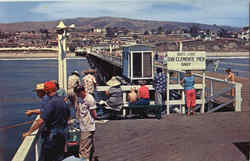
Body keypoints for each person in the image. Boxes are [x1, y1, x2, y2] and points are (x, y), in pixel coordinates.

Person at [23, 81, 70, 161]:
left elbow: (40, 121)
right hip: (62, 132)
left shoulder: (51, 103)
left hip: (53, 134)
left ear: (46, 91)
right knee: (59, 156)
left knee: (47, 157)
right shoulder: (62, 101)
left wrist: (29, 132)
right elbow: (68, 115)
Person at [74, 85, 97, 161]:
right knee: (88, 146)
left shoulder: (89, 99)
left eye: (78, 93)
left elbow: (94, 113)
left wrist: (93, 121)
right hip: (83, 125)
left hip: (87, 127)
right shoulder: (81, 98)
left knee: (83, 148)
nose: (77, 95)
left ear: (82, 91)